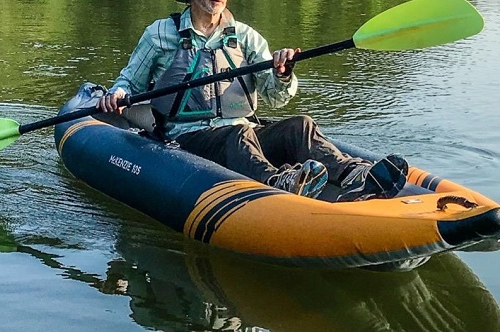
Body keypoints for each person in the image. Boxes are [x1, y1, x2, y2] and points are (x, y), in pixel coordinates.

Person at [97, 0, 408, 201]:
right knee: (238, 134)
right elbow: (128, 81)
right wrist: (120, 94)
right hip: (189, 139)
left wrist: (283, 74)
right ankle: (277, 183)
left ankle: (353, 175)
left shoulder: (246, 37)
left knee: (301, 125)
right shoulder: (160, 35)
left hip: (242, 131)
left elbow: (275, 98)